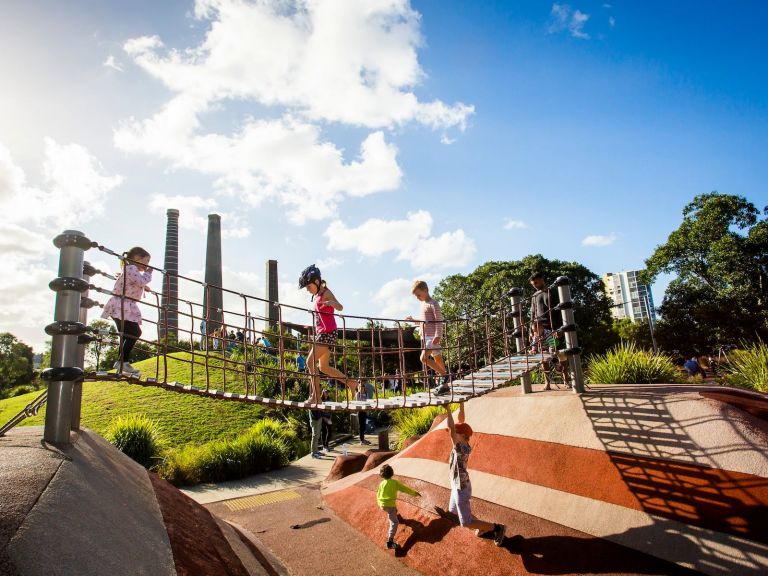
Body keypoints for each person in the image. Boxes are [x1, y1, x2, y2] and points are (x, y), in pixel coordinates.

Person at [444, 403, 505, 546]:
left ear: (463, 436)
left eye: (456, 433)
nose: (452, 434)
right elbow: (460, 422)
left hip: (461, 488)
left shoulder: (460, 448)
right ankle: (480, 526)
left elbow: (453, 428)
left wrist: (447, 409)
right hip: (458, 483)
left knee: (465, 522)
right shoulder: (463, 442)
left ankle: (497, 528)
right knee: (453, 510)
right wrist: (461, 404)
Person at [298, 264, 358, 404]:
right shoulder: (317, 295)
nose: (307, 290)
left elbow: (340, 307)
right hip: (322, 333)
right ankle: (351, 383)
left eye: (308, 286)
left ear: (317, 282)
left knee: (309, 362)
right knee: (323, 367)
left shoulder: (326, 293)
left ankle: (316, 398)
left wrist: (331, 302)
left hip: (328, 333)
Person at [101, 247, 152, 377]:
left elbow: (135, 283)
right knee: (135, 332)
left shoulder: (129, 270)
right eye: (146, 262)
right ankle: (122, 361)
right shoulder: (131, 269)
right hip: (122, 305)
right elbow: (140, 280)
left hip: (122, 305)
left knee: (126, 334)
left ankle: (122, 362)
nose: (147, 266)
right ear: (136, 258)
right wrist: (149, 273)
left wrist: (143, 286)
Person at [406, 280, 449, 395]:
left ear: (426, 290)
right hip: (426, 337)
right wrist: (414, 321)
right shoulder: (423, 304)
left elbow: (439, 321)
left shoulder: (433, 303)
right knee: (438, 359)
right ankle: (444, 386)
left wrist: (438, 335)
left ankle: (444, 376)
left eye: (419, 295)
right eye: (416, 296)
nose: (417, 297)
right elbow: (423, 322)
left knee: (423, 358)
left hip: (432, 337)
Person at [376, 464, 421, 551]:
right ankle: (390, 542)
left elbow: (377, 493)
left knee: (393, 510)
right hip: (389, 505)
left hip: (381, 504)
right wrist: (414, 493)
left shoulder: (381, 483)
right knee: (394, 522)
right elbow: (405, 489)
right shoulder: (395, 483)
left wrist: (379, 503)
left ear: (382, 475)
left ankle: (395, 514)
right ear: (391, 473)